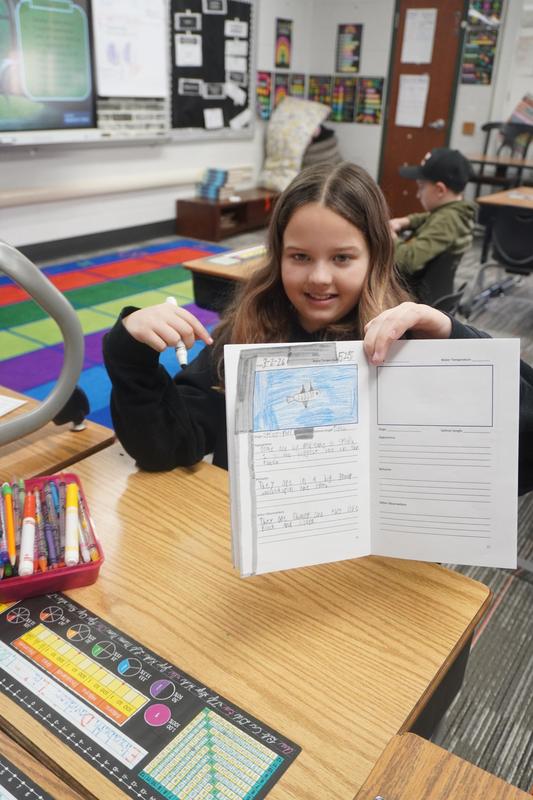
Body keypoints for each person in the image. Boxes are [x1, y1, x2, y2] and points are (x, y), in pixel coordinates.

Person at [103, 161, 533, 494]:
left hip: (376, 567)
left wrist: (451, 337)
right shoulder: (247, 335)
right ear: (278, 256)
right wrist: (132, 354)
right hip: (266, 554)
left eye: (342, 258)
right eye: (300, 257)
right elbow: (166, 447)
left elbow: (520, 445)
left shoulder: (408, 343)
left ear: (375, 258)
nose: (320, 278)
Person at [390, 147, 476, 279]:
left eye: (421, 187)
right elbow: (430, 217)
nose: (418, 195)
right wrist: (406, 221)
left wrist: (390, 237)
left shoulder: (446, 220)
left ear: (440, 190)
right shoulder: (455, 213)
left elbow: (406, 262)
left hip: (411, 292)